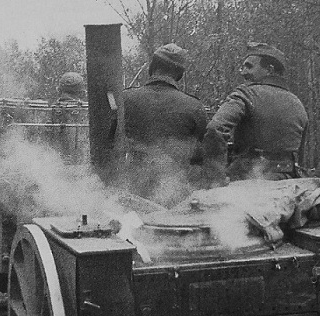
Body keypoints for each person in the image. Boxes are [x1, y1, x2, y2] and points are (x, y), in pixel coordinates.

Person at [121, 43, 212, 207]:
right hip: (175, 196)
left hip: (133, 191)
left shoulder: (125, 99)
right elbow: (202, 155)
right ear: (179, 74)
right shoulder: (193, 106)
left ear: (152, 67)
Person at [204, 42, 308, 181]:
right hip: (287, 182)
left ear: (269, 69)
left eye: (249, 66)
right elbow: (299, 156)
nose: (243, 72)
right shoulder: (297, 103)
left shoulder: (246, 94)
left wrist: (216, 176)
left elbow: (215, 129)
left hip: (247, 181)